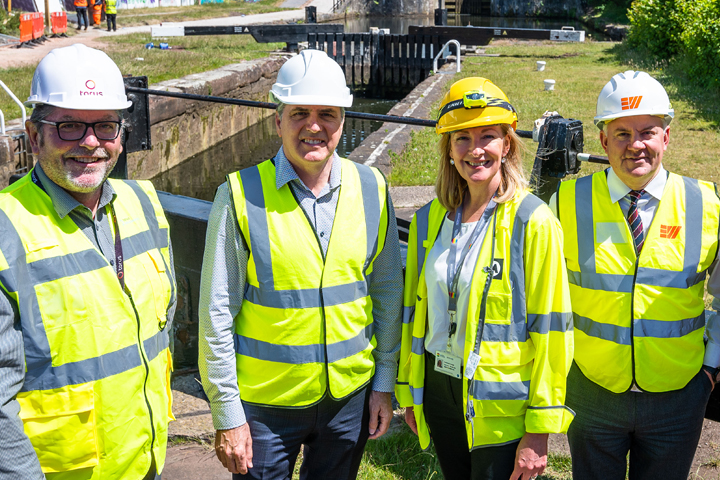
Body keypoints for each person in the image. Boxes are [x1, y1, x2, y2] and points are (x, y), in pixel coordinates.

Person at [198, 49, 403, 479]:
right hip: (267, 407)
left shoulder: (371, 188)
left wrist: (384, 381)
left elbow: (386, 291)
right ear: (278, 121)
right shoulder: (238, 195)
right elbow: (216, 314)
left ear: (343, 120)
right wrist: (227, 414)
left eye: (327, 113)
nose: (314, 126)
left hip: (349, 398)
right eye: (299, 113)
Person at [0, 44, 176, 480]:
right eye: (70, 126)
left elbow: (162, 322)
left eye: (105, 126)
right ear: (34, 134)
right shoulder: (6, 228)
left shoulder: (145, 204)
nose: (91, 142)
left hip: (146, 460)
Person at [396, 76, 574, 480]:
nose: (475, 150)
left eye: (487, 136)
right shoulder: (429, 220)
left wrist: (541, 426)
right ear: (448, 148)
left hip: (503, 407)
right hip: (440, 388)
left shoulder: (533, 221)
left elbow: (553, 329)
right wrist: (411, 390)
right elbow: (415, 313)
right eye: (462, 138)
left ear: (507, 144)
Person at [552, 70, 720, 479]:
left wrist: (710, 371)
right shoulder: (565, 202)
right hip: (592, 392)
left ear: (667, 136)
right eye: (622, 133)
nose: (636, 145)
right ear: (603, 140)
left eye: (647, 131)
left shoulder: (707, 203)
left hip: (678, 395)